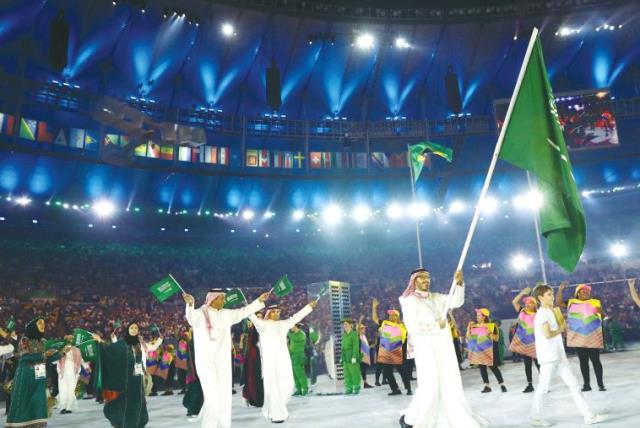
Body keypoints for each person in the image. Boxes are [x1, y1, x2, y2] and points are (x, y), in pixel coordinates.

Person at [398, 268, 487, 428]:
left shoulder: (436, 297)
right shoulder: (410, 301)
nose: (426, 280)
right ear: (414, 281)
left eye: (428, 277)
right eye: (422, 278)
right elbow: (412, 326)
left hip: (443, 347)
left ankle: (449, 415)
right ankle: (413, 418)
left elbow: (457, 301)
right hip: (426, 349)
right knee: (430, 385)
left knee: (449, 381)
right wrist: (434, 326)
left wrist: (459, 283)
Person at [184, 288, 270, 428]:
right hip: (206, 362)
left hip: (223, 361)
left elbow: (244, 312)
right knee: (213, 398)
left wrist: (259, 301)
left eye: (224, 298)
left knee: (225, 397)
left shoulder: (226, 314)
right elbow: (191, 318)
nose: (224, 301)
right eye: (221, 298)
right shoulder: (200, 313)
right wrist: (190, 304)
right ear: (212, 299)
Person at [530, 285, 607, 427]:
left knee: (574, 385)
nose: (552, 297)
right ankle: (535, 417)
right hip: (548, 358)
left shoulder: (552, 311)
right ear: (540, 298)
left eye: (552, 294)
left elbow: (555, 332)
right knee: (543, 388)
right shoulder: (542, 314)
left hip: (559, 356)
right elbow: (547, 334)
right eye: (548, 294)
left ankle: (589, 416)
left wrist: (562, 329)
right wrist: (561, 329)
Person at [249, 300, 317, 423]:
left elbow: (296, 318)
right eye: (274, 312)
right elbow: (250, 315)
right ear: (268, 313)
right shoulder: (262, 325)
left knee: (289, 385)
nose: (277, 314)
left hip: (283, 360)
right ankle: (277, 415)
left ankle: (271, 409)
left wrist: (309, 307)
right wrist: (257, 303)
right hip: (270, 363)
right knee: (273, 388)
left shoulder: (283, 324)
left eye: (278, 311)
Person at [7, 318, 65, 428]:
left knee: (38, 400)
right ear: (33, 327)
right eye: (40, 324)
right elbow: (25, 357)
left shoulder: (43, 341)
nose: (43, 326)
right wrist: (45, 355)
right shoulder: (25, 340)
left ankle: (36, 423)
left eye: (43, 324)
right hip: (27, 374)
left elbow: (46, 358)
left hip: (39, 373)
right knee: (25, 400)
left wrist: (61, 353)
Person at [93, 323, 149, 428]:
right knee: (124, 408)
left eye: (136, 328)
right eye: (132, 328)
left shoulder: (138, 344)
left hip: (137, 382)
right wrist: (100, 342)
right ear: (127, 330)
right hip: (125, 383)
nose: (134, 330)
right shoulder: (121, 344)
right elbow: (109, 352)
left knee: (138, 406)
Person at [557, 283, 606, 391]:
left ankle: (600, 384)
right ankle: (586, 385)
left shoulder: (595, 302)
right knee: (583, 362)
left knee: (596, 361)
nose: (586, 292)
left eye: (587, 291)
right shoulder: (571, 302)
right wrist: (560, 290)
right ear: (577, 293)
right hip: (578, 337)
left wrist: (601, 312)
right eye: (583, 291)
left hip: (593, 337)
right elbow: (559, 302)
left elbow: (603, 317)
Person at [372, 300, 411, 396]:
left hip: (396, 352)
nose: (391, 316)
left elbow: (404, 337)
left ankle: (408, 388)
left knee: (403, 372)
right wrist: (374, 307)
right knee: (388, 373)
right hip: (386, 352)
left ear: (398, 317)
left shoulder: (402, 326)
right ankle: (395, 389)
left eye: (394, 315)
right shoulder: (384, 322)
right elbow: (374, 318)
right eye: (390, 315)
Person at [466, 308, 507, 393]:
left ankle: (502, 384)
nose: (477, 317)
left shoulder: (492, 326)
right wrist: (468, 328)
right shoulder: (475, 326)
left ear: (484, 317)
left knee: (494, 368)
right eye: (477, 315)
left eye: (478, 315)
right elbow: (469, 338)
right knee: (482, 368)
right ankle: (486, 386)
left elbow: (496, 339)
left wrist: (488, 332)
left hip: (489, 351)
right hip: (479, 351)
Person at [510, 287, 540, 393]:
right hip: (524, 343)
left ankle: (544, 384)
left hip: (536, 343)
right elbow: (514, 301)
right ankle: (530, 385)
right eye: (526, 303)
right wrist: (522, 293)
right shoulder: (522, 311)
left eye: (530, 303)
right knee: (527, 365)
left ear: (535, 304)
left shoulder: (539, 314)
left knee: (539, 364)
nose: (527, 304)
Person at [55, 335, 83, 414]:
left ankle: (68, 407)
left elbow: (79, 361)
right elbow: (57, 361)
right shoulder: (61, 350)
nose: (70, 340)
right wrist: (59, 371)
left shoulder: (76, 349)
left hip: (71, 370)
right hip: (64, 371)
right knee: (63, 389)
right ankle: (64, 407)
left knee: (70, 389)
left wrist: (77, 371)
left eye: (71, 339)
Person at [242, 313, 264, 407]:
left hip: (263, 354)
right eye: (257, 317)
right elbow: (246, 343)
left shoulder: (264, 326)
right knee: (255, 377)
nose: (259, 318)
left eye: (260, 317)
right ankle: (256, 399)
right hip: (254, 356)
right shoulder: (250, 328)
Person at [182, 328, 204, 418]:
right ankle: (193, 409)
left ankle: (195, 409)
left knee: (197, 390)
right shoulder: (191, 343)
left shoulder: (197, 342)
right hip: (195, 371)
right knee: (195, 389)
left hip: (199, 370)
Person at [340, 318, 361, 394]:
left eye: (346, 324)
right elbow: (342, 347)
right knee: (347, 374)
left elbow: (356, 346)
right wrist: (341, 357)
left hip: (352, 357)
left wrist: (354, 357)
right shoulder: (344, 335)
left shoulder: (354, 334)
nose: (344, 326)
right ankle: (349, 388)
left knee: (354, 373)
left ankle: (356, 387)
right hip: (346, 358)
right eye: (344, 324)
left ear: (351, 325)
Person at [288, 323, 308, 396]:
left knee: (300, 373)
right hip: (293, 355)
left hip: (299, 355)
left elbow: (294, 338)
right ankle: (298, 389)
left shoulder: (301, 334)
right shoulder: (293, 334)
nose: (290, 328)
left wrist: (288, 332)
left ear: (296, 326)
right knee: (295, 374)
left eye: (291, 326)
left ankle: (305, 389)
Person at [357, 317, 373, 388]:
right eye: (363, 328)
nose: (365, 329)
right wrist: (360, 320)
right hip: (362, 356)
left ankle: (365, 383)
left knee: (364, 370)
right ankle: (365, 383)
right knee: (362, 369)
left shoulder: (363, 336)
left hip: (366, 355)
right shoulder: (359, 336)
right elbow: (357, 330)